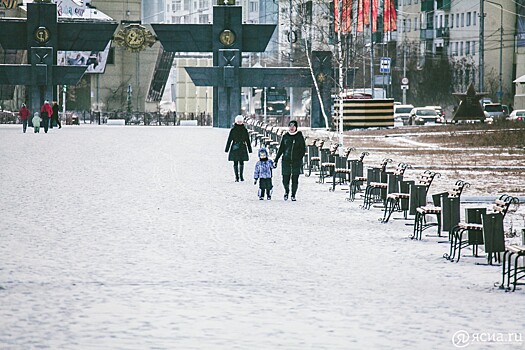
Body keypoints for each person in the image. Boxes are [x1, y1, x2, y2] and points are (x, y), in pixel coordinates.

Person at [274, 120, 306, 201]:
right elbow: (281, 148)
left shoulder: (299, 136)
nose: (291, 128)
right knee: (285, 179)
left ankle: (293, 195)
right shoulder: (285, 136)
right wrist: (276, 159)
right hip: (286, 160)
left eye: (293, 126)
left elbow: (303, 149)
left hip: (296, 161)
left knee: (295, 179)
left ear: (296, 127)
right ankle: (286, 191)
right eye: (290, 126)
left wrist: (299, 157)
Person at [225, 115, 252, 182]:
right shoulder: (233, 130)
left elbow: (247, 140)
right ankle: (236, 176)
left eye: (240, 121)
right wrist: (227, 148)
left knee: (242, 162)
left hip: (242, 147)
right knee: (235, 162)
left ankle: (241, 176)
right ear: (236, 122)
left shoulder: (244, 130)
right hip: (235, 147)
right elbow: (229, 139)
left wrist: (249, 149)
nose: (239, 123)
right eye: (238, 121)